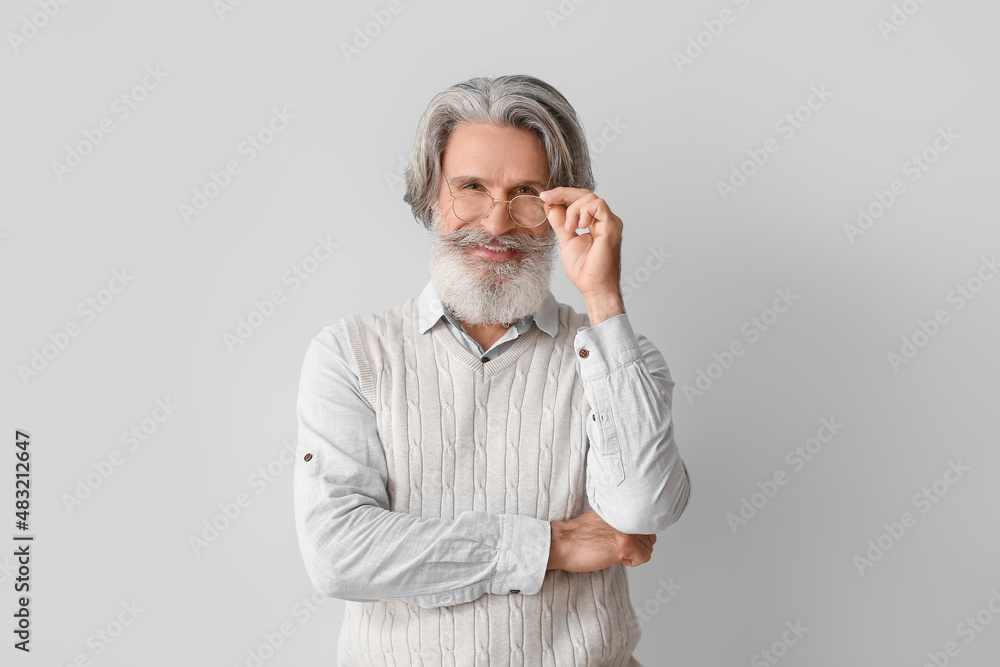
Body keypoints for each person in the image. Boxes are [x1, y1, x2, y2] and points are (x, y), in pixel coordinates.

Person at [292, 74, 691, 666]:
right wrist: (550, 546)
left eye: (528, 192)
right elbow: (338, 554)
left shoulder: (616, 355)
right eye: (471, 187)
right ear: (431, 196)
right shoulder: (351, 355)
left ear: (562, 209)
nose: (498, 223)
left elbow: (641, 510)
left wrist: (604, 299)